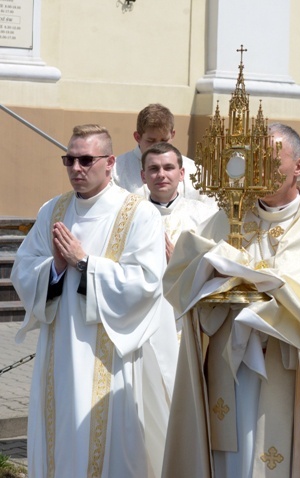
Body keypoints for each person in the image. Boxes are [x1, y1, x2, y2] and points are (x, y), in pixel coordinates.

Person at [161, 123, 300, 477]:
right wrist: (208, 275)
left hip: (287, 374)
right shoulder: (229, 219)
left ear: (298, 166)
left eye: (272, 161)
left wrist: (264, 295)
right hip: (231, 369)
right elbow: (186, 280)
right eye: (255, 160)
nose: (260, 171)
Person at [11, 125, 178, 478]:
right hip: (58, 351)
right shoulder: (52, 211)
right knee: (60, 437)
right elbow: (24, 270)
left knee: (111, 449)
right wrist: (54, 268)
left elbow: (147, 282)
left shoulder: (138, 213)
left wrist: (84, 263)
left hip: (110, 355)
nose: (76, 168)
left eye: (86, 160)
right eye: (69, 160)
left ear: (110, 162)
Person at [113, 103, 212, 204]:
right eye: (151, 140)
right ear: (137, 137)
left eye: (164, 140)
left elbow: (210, 211)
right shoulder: (116, 171)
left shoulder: (196, 171)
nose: (158, 147)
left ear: (172, 135)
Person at [140, 142, 215, 262]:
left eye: (168, 168)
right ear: (143, 176)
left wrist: (180, 262)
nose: (161, 174)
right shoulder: (133, 217)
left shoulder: (204, 216)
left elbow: (215, 262)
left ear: (181, 174)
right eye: (154, 169)